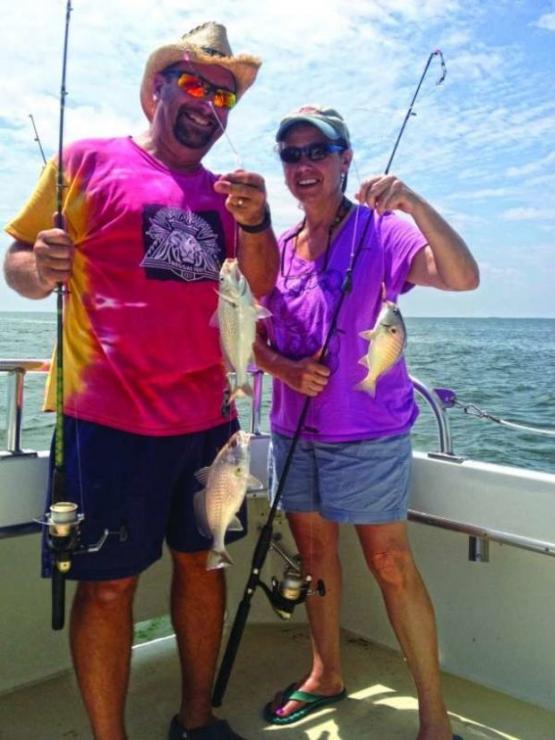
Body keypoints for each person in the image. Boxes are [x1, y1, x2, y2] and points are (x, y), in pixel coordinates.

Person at [3, 22, 278, 740]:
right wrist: (42, 267)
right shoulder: (86, 160)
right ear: (156, 87)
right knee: (108, 586)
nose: (208, 104)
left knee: (203, 567)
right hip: (107, 418)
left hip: (210, 421)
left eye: (223, 95)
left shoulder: (229, 194)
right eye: (192, 84)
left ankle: (197, 718)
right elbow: (19, 263)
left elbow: (261, 287)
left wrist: (258, 223)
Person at [254, 105, 479, 739]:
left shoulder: (383, 231)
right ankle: (325, 673)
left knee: (390, 564)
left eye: (316, 151)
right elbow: (250, 336)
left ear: (345, 159)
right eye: (290, 154)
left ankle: (434, 718)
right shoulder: (279, 249)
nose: (303, 165)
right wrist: (284, 369)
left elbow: (463, 278)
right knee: (316, 554)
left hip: (370, 433)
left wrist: (410, 200)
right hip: (295, 432)